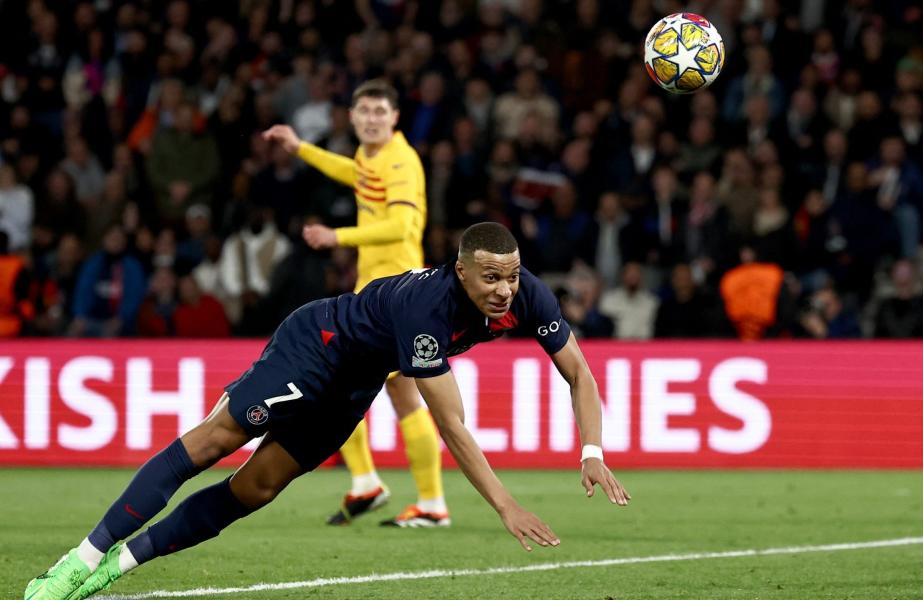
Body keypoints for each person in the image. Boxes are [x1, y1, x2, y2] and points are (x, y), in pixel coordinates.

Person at [24, 222, 630, 600]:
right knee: (213, 442)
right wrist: (506, 505)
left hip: (353, 385)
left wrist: (593, 451)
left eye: (512, 277)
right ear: (461, 270)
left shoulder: (527, 297)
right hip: (317, 347)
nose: (504, 291)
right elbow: (451, 424)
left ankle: (118, 566)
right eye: (491, 278)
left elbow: (578, 371)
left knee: (255, 490)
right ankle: (75, 561)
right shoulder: (429, 309)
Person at [263, 79, 446, 528]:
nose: (371, 119)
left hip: (399, 293)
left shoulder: (402, 161)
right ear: (353, 114)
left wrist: (336, 236)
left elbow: (401, 226)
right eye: (363, 111)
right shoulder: (371, 157)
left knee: (356, 386)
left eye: (380, 112)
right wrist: (300, 147)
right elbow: (351, 173)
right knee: (356, 387)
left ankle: (422, 500)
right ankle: (377, 486)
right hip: (378, 292)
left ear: (395, 117)